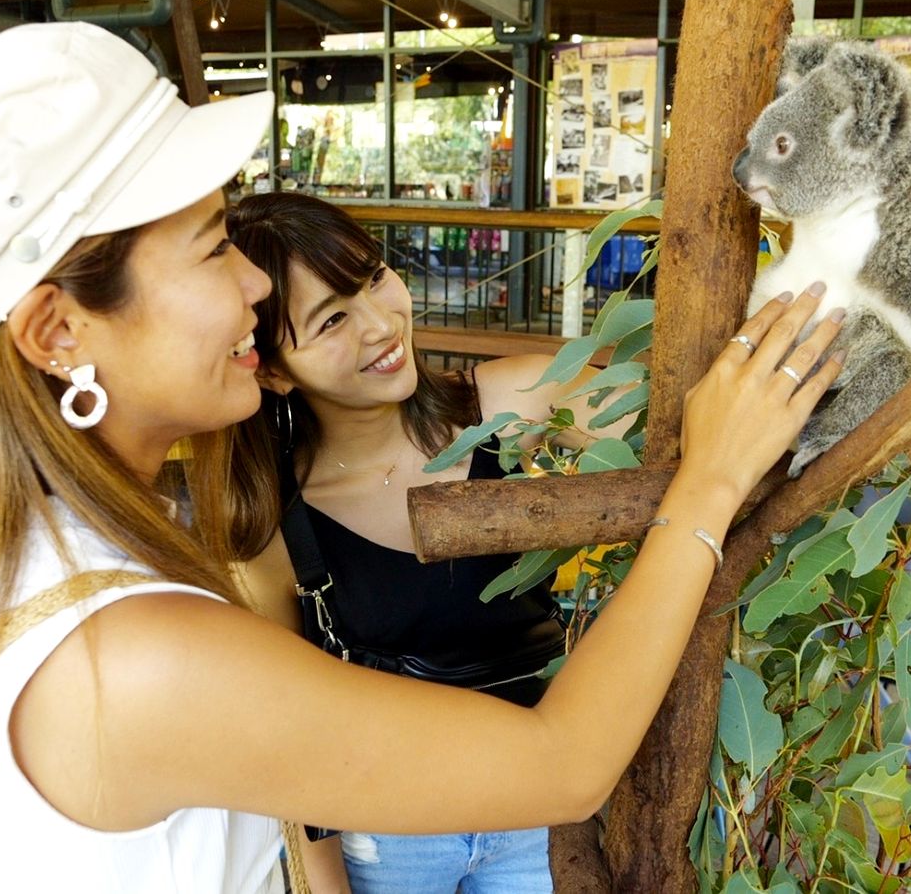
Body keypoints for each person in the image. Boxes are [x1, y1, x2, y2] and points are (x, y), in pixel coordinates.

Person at [0, 21, 847, 894]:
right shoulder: (128, 655)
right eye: (211, 248)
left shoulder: (30, 552)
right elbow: (565, 763)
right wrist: (710, 486)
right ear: (58, 331)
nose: (251, 282)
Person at [226, 191, 655, 893]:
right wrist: (326, 885)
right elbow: (290, 745)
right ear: (271, 369)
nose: (378, 324)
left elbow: (674, 431)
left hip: (543, 805)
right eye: (331, 319)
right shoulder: (272, 528)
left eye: (373, 278)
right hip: (387, 834)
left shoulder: (514, 403)